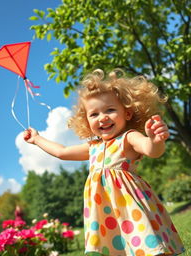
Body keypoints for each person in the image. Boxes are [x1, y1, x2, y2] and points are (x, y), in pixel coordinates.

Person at [23, 69, 185, 256]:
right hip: (104, 210)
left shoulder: (128, 137)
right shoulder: (93, 146)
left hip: (128, 206)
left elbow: (151, 150)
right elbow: (62, 152)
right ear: (86, 120)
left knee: (142, 241)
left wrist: (156, 140)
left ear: (127, 113)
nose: (103, 117)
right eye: (94, 114)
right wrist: (37, 139)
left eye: (110, 110)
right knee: (115, 246)